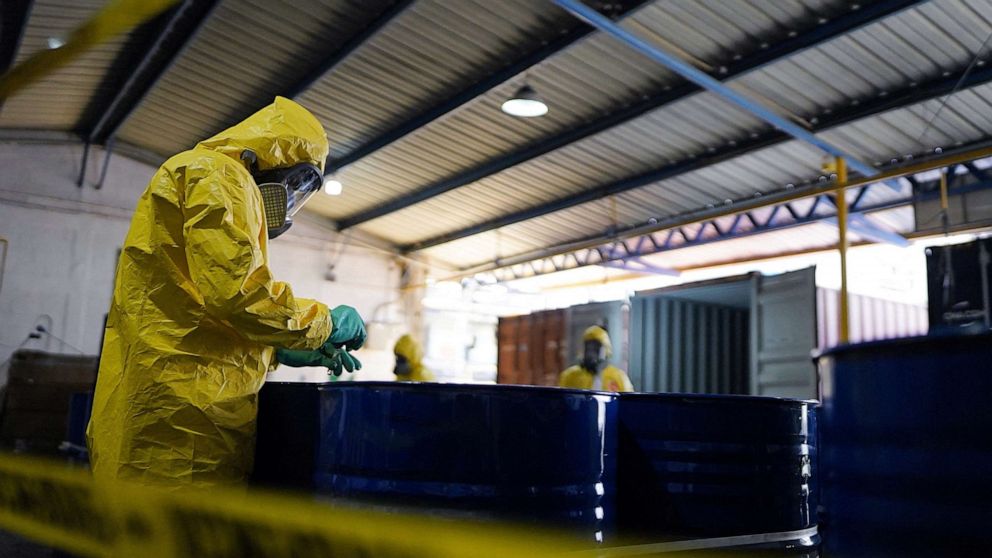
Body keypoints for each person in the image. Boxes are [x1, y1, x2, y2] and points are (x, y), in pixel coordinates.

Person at [87, 97, 366, 488]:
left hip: (173, 417)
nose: (291, 197)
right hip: (182, 429)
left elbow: (196, 315)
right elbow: (237, 293)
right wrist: (325, 321)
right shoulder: (220, 174)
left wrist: (274, 350)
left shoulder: (207, 175)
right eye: (298, 181)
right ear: (272, 155)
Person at [558, 326, 633, 392]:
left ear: (606, 349)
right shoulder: (570, 376)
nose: (590, 351)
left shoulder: (619, 377)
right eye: (588, 346)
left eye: (596, 346)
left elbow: (628, 404)